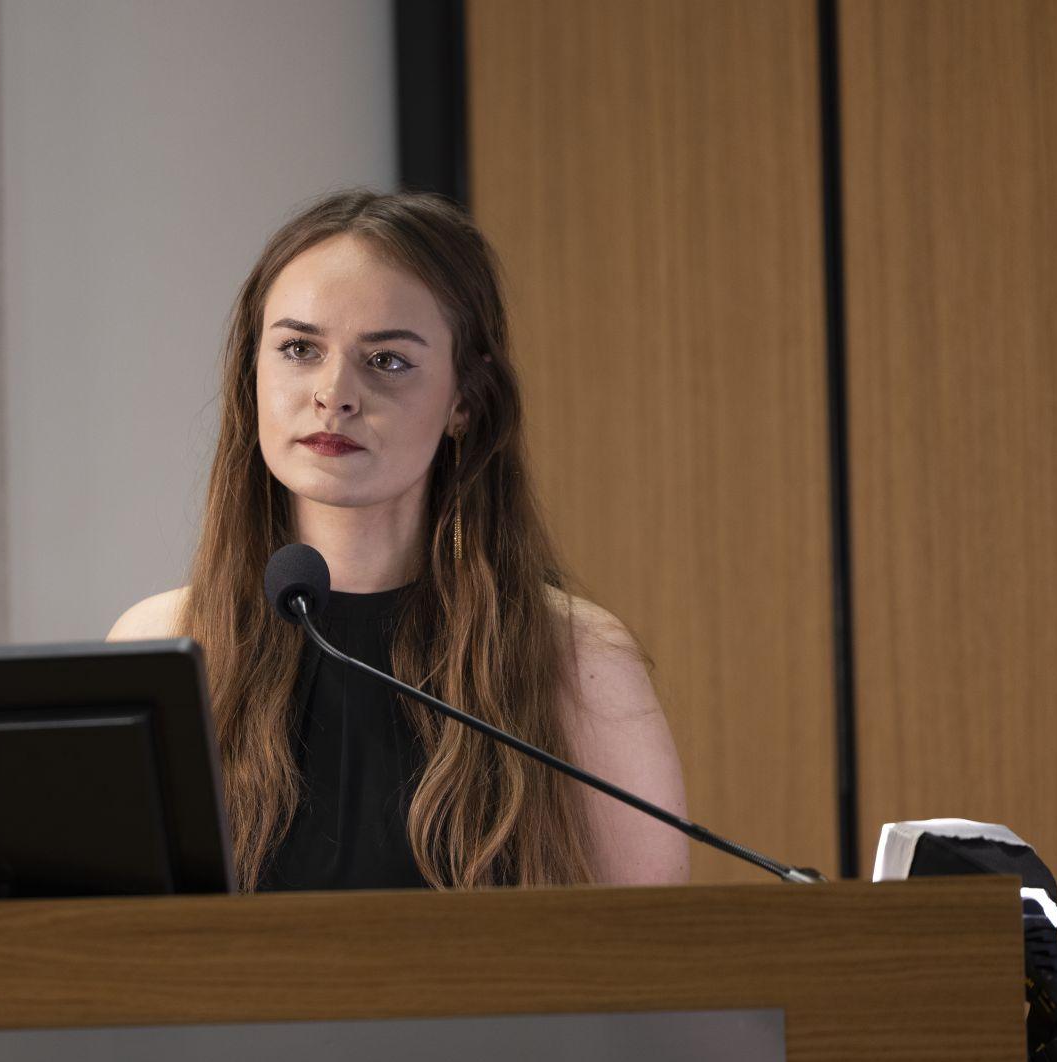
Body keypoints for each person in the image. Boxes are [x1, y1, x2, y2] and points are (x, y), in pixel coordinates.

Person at [109, 190, 688, 892]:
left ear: (464, 401)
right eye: (298, 349)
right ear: (251, 373)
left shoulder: (575, 658)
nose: (334, 394)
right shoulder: (164, 646)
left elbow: (647, 947)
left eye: (386, 360)